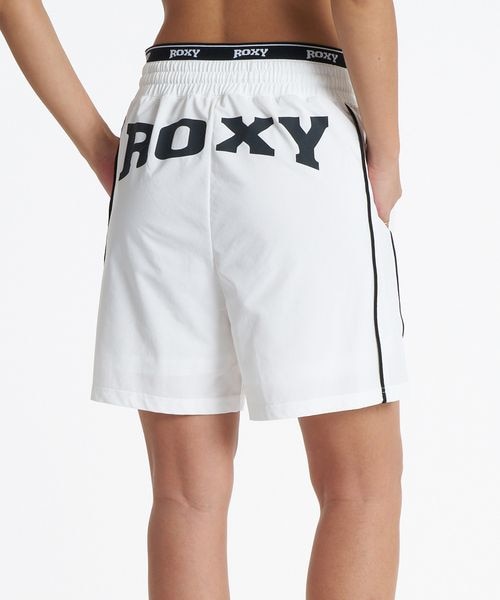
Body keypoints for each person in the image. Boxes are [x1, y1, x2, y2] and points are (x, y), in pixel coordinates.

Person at [0, 0, 409, 598]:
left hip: (163, 126)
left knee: (185, 495)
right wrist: (387, 151)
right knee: (360, 489)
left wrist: (98, 144)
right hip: (301, 115)